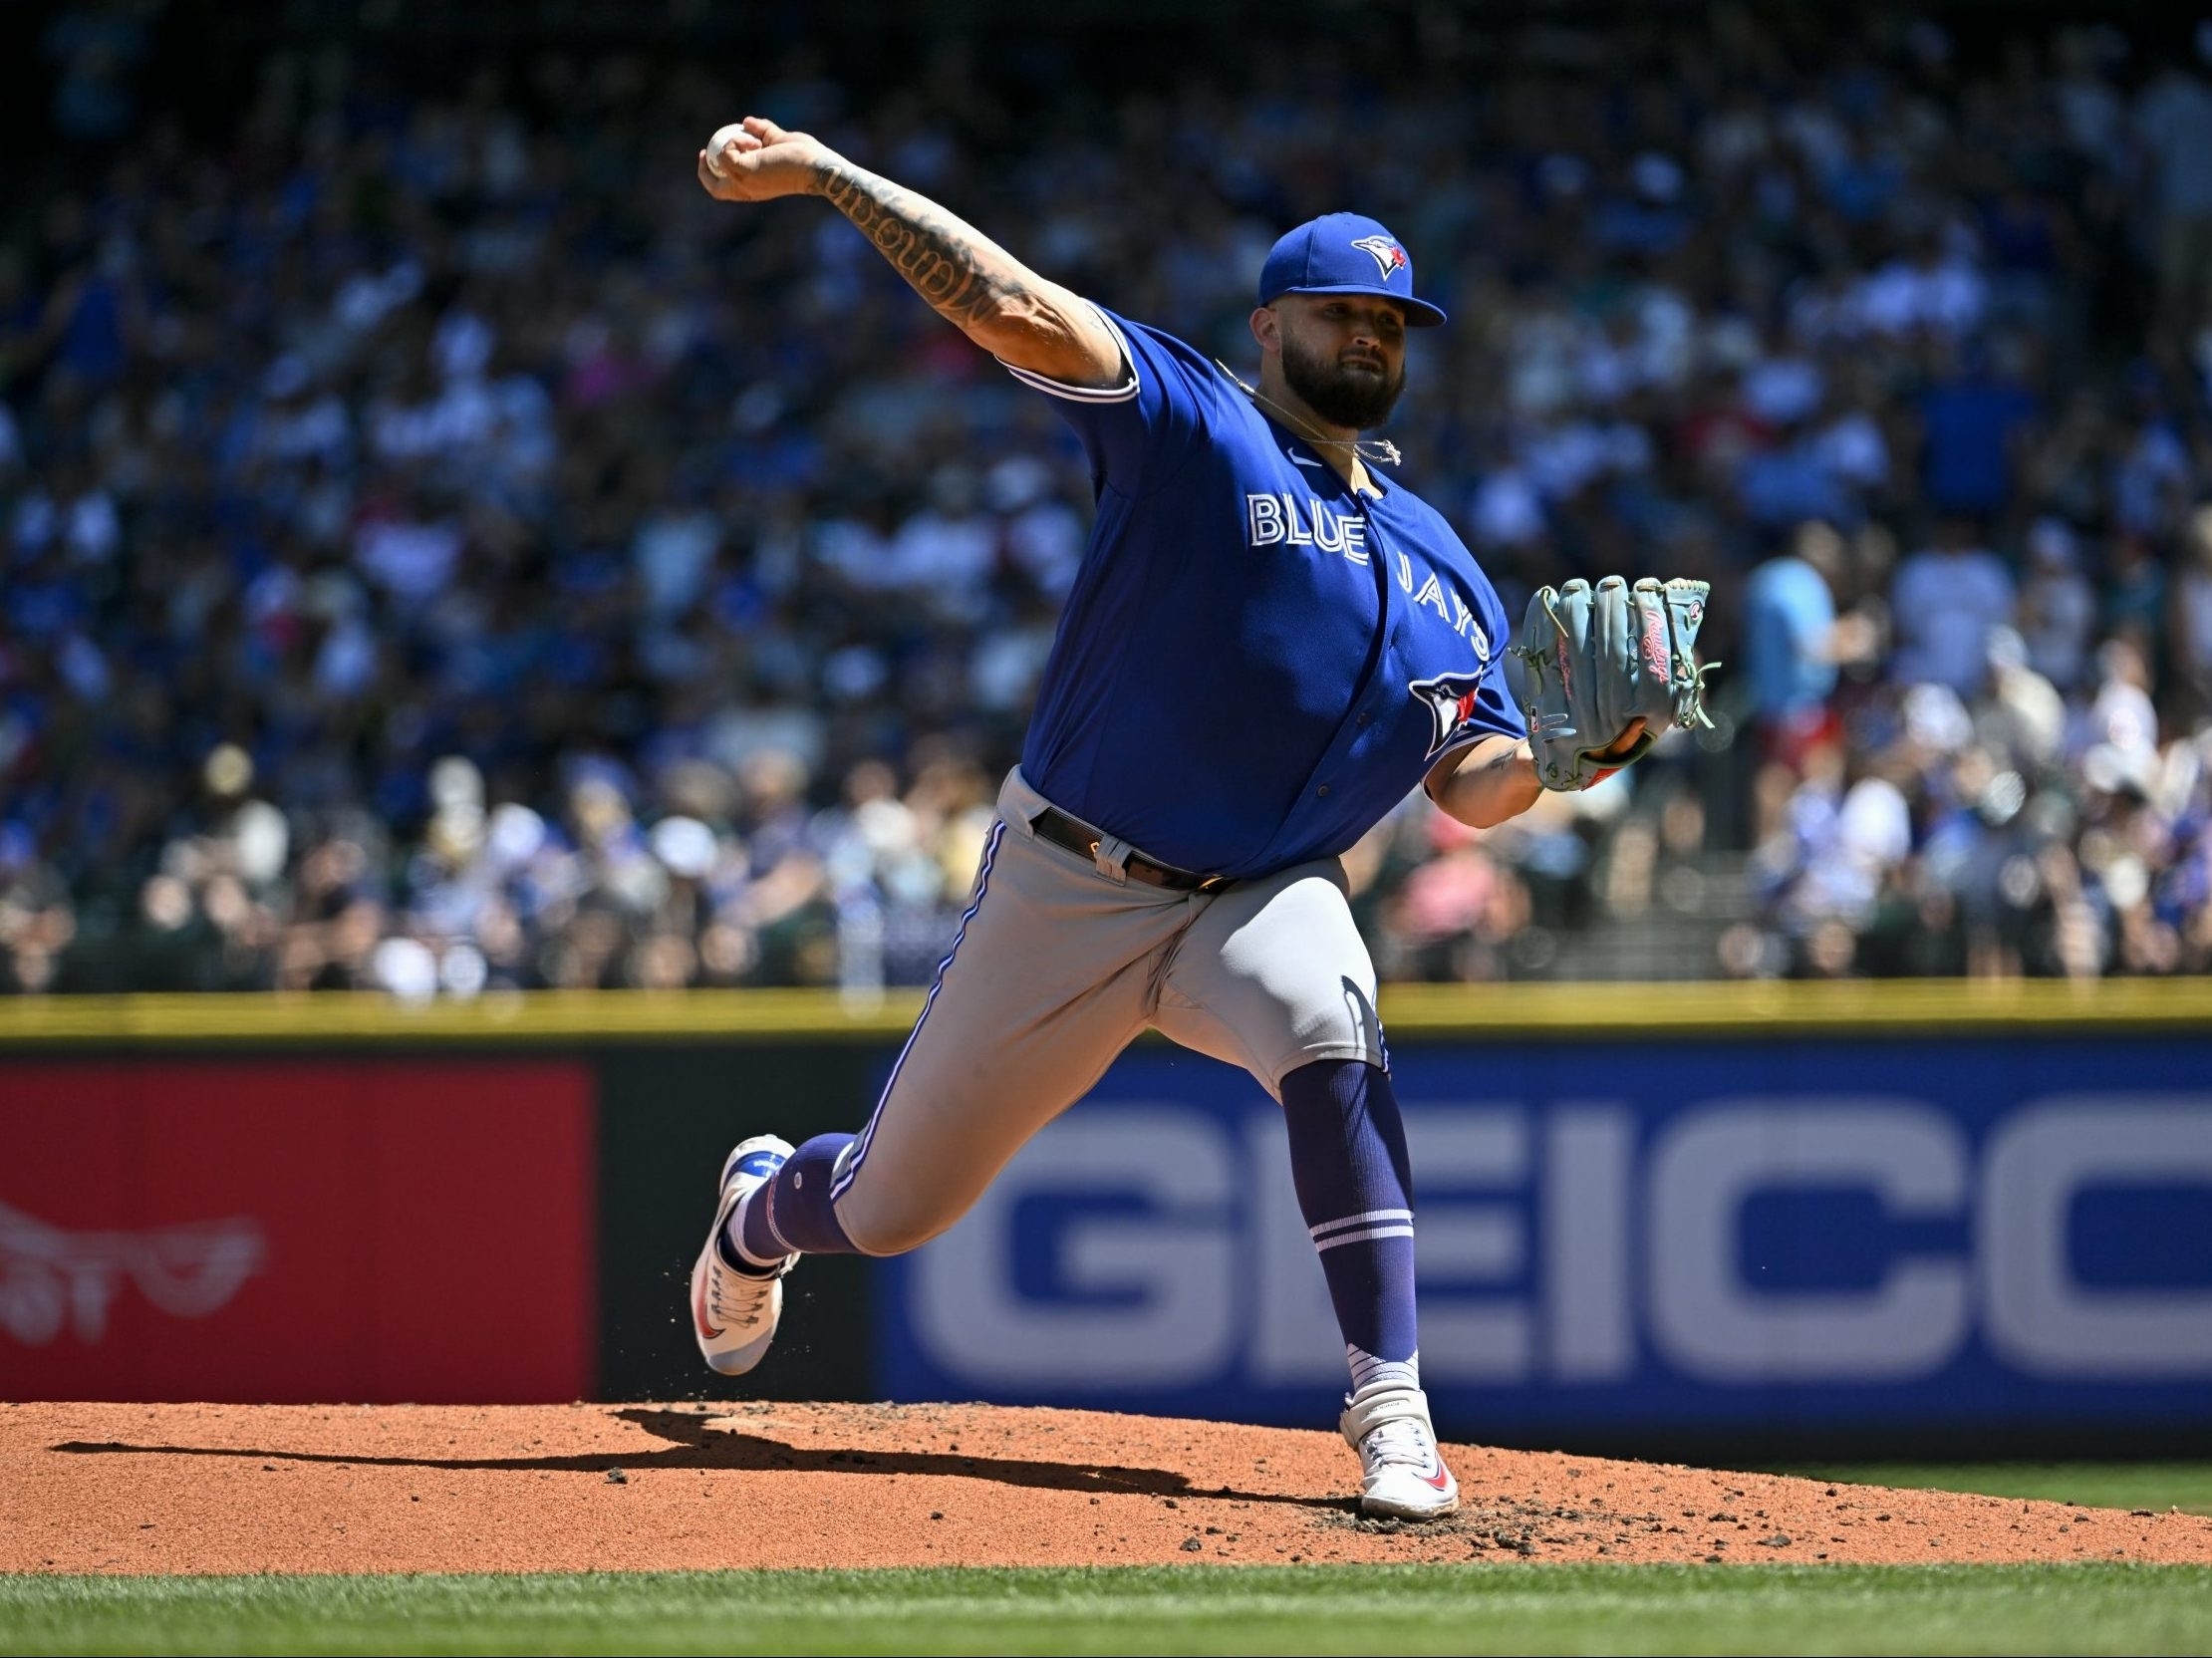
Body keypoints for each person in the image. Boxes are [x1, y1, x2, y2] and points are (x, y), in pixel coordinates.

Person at [685, 115, 1652, 1520]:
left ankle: (1394, 1411)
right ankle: (759, 1213)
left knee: (1335, 1023)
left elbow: (1474, 784)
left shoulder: (1449, 568)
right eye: (1342, 310)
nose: (1371, 335)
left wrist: (1580, 761)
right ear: (1270, 327)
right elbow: (1009, 304)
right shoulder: (1199, 428)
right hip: (1071, 878)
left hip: (1262, 894)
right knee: (893, 1209)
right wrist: (835, 178)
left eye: (1393, 318)